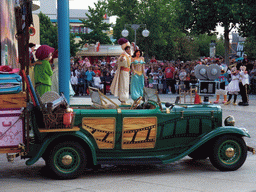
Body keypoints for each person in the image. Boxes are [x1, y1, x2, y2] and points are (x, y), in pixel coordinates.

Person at [110, 38, 132, 105]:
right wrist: (121, 60)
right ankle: (123, 99)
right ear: (125, 50)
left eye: (129, 48)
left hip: (127, 72)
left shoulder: (128, 56)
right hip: (123, 72)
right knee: (123, 86)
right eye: (127, 49)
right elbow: (120, 60)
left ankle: (124, 99)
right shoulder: (123, 55)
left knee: (126, 86)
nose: (129, 50)